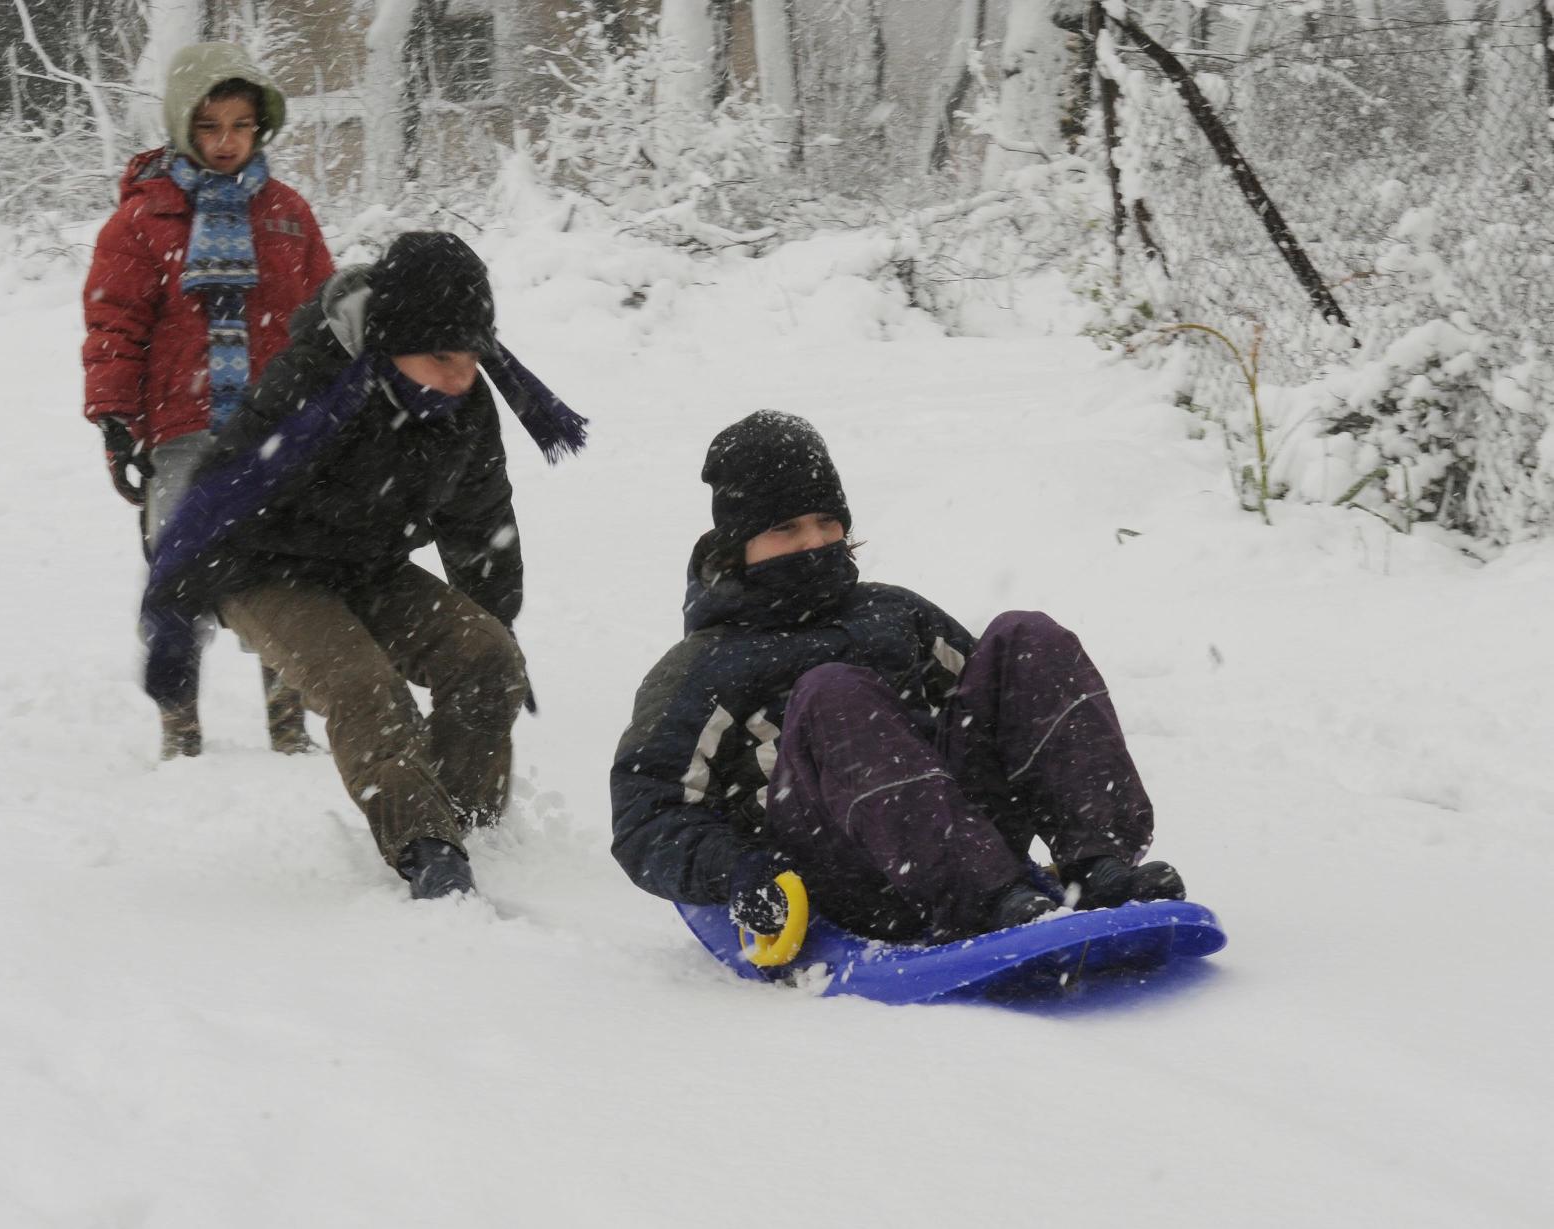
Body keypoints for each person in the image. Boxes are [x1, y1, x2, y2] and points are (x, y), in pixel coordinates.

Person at [610, 411, 1185, 945]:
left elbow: (997, 710)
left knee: (1025, 638)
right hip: (841, 872)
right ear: (741, 545)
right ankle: (982, 895)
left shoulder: (893, 613)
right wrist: (741, 871)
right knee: (833, 691)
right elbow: (647, 818)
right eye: (785, 528)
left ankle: (1096, 864)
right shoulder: (704, 665)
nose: (813, 542)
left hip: (959, 842)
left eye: (826, 521)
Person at [139, 232, 587, 899]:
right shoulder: (315, 383)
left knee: (488, 659)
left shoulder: (463, 403)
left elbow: (481, 518)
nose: (462, 375)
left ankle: (466, 824)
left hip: (364, 565)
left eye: (473, 355)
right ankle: (428, 848)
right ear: (393, 342)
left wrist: (495, 624)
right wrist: (173, 625)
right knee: (363, 687)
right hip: (261, 569)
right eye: (442, 356)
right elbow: (211, 504)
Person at [81, 41, 335, 759]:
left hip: (277, 430)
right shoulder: (141, 221)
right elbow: (113, 326)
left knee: (289, 571)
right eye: (210, 126)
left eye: (241, 126)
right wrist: (114, 421)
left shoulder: (287, 213)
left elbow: (324, 319)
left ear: (261, 128)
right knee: (181, 576)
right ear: (182, 126)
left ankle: (288, 721)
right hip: (183, 429)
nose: (227, 142)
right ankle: (180, 723)